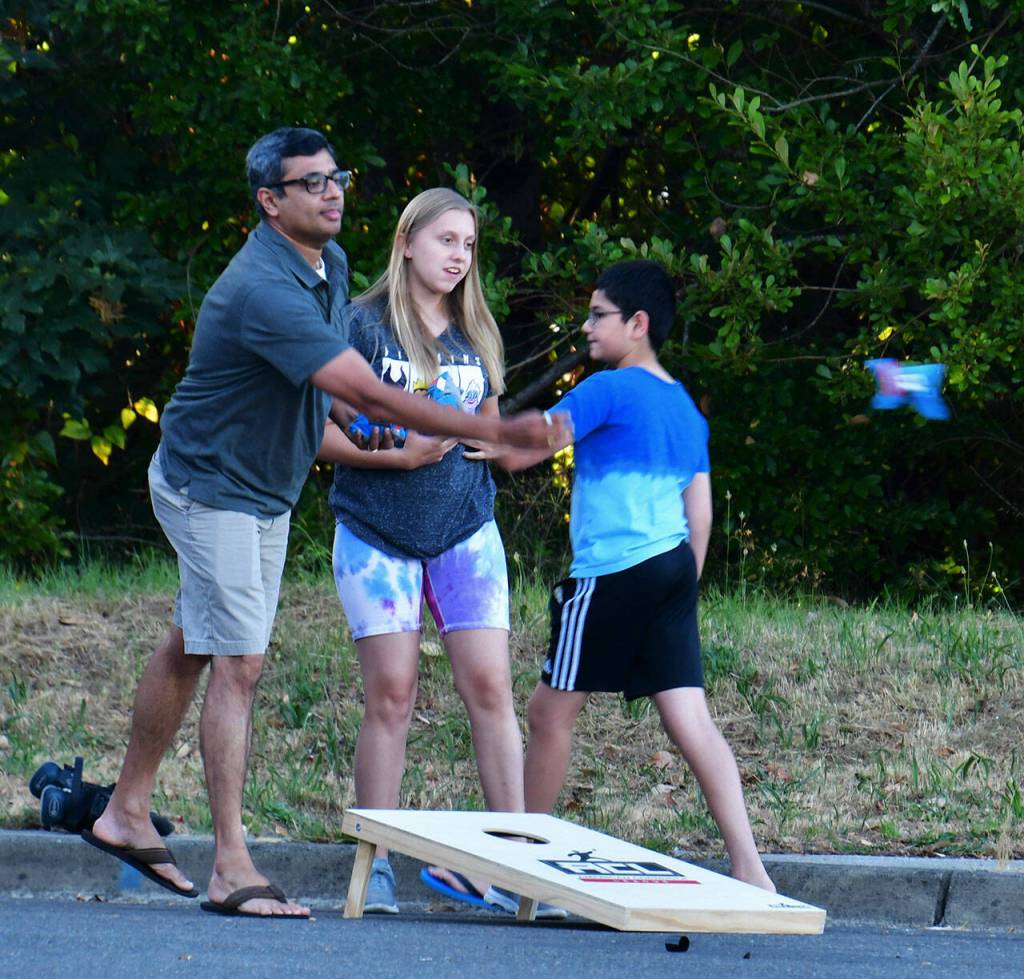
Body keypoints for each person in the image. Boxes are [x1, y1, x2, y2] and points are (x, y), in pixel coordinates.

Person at [84, 128, 567, 919]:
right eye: (310, 183)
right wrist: (468, 431)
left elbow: (336, 391)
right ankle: (231, 867)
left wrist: (346, 410)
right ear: (271, 202)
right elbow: (371, 392)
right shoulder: (262, 288)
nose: (332, 191)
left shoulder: (327, 265)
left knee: (195, 638)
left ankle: (125, 810)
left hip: (263, 487)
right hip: (211, 484)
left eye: (336, 177)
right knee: (238, 660)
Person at [469, 260, 775, 892]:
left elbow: (539, 442)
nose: (585, 327)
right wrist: (682, 585)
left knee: (548, 714)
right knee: (691, 720)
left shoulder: (607, 387)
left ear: (637, 324)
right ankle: (751, 867)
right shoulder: (685, 408)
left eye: (597, 314)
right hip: (672, 571)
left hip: (612, 571)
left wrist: (477, 437)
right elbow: (701, 508)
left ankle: (516, 863)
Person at [320, 188, 562, 918]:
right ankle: (380, 862)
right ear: (406, 243)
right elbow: (317, 436)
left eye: (468, 244)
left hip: (465, 530)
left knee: (490, 690)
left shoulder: (475, 332)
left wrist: (500, 441)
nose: (459, 256)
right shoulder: (359, 327)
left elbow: (488, 430)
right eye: (446, 240)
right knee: (391, 694)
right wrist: (396, 458)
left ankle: (515, 865)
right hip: (375, 532)